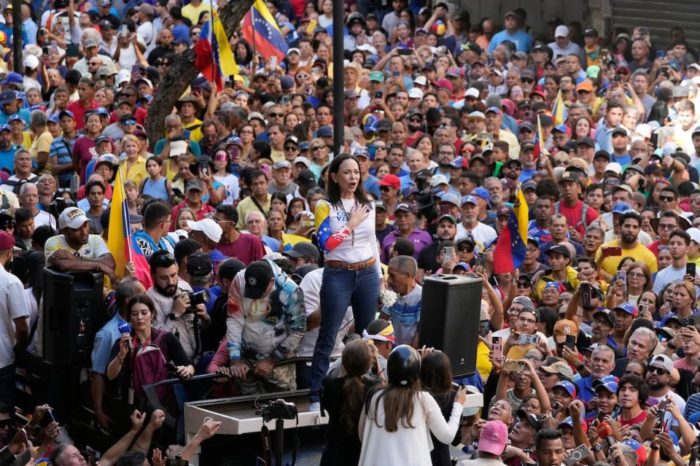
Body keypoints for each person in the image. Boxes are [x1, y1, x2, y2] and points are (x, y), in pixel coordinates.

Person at [309, 154, 382, 411]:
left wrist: (380, 276)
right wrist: (350, 224)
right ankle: (316, 396)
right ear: (334, 177)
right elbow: (326, 244)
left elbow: (373, 241)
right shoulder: (324, 206)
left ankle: (367, 390)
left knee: (366, 336)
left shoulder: (368, 202)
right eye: (347, 172)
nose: (353, 177)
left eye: (356, 172)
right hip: (338, 272)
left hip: (367, 272)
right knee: (328, 335)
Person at [358, 345, 468, 465]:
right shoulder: (423, 399)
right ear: (417, 374)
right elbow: (447, 436)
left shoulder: (375, 396)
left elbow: (362, 435)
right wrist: (458, 404)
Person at [225, 259, 306, 394]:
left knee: (282, 405)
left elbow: (298, 331)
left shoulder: (290, 290)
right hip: (245, 360)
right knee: (246, 406)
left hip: (279, 363)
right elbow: (234, 318)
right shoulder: (239, 280)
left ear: (272, 281)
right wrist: (235, 358)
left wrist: (271, 360)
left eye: (261, 292)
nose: (256, 296)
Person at [319, 339, 380, 466]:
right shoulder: (373, 388)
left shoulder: (330, 385)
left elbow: (336, 378)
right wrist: (376, 361)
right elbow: (382, 384)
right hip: (360, 455)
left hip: (333, 455)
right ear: (369, 364)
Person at [0, 231, 29, 410]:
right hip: (2, 361)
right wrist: (19, 348)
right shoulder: (11, 282)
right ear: (10, 252)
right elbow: (22, 327)